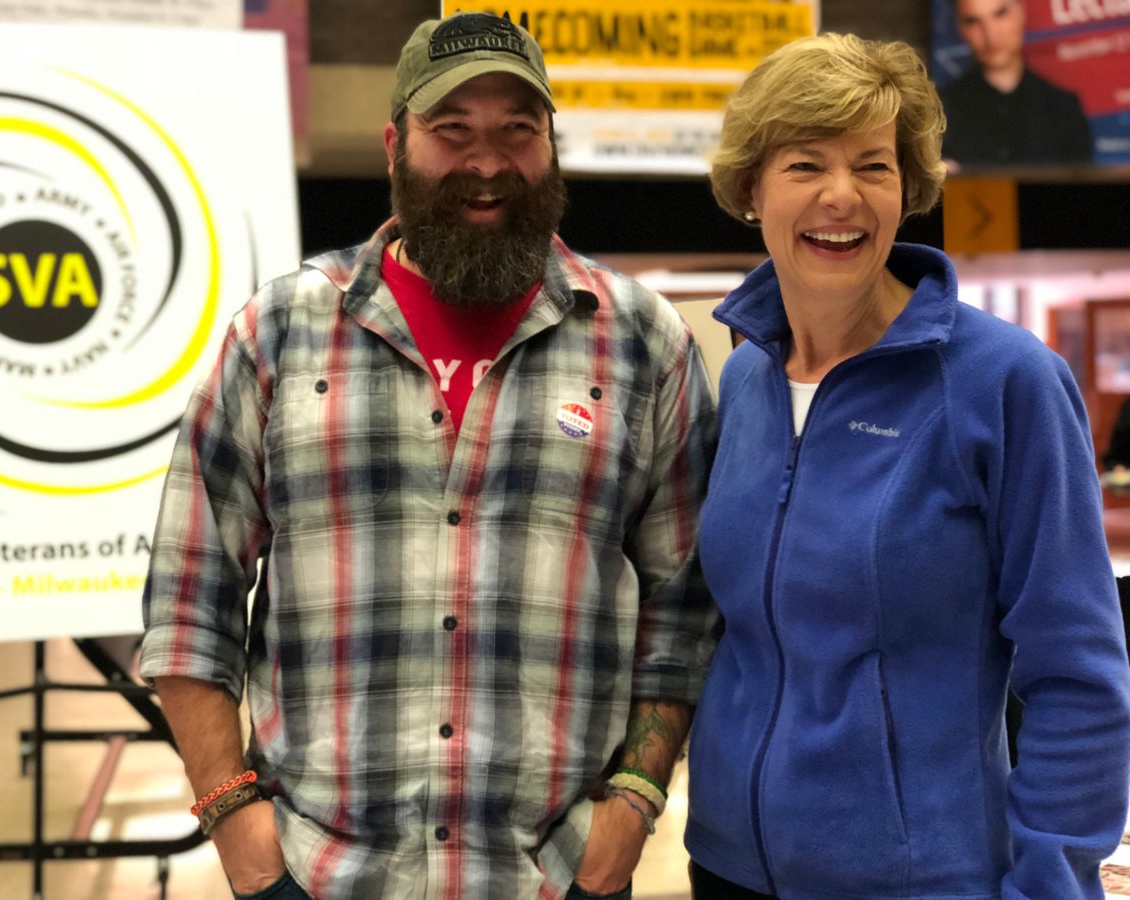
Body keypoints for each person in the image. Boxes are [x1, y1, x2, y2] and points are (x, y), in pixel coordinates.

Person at [139, 10, 719, 900]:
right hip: (320, 873)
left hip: (556, 875)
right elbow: (189, 596)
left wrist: (630, 810)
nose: (488, 163)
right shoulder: (279, 332)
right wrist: (236, 827)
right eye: (452, 131)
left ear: (550, 147)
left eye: (517, 130)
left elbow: (683, 610)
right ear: (394, 146)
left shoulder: (644, 343)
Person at [685, 32, 1130, 899]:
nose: (841, 195)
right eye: (805, 164)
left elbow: (1079, 675)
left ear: (908, 188)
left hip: (917, 879)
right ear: (751, 189)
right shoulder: (744, 378)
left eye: (874, 166)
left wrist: (1049, 883)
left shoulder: (1004, 382)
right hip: (728, 866)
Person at [940, 0, 1092, 168]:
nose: (990, 34)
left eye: (1000, 14)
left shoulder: (1064, 109)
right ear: (959, 27)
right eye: (973, 21)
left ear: (1021, 11)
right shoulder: (940, 112)